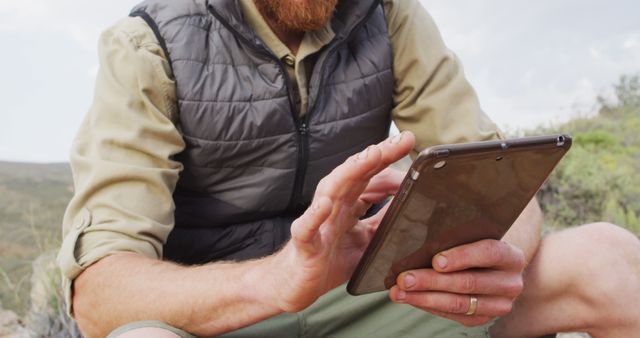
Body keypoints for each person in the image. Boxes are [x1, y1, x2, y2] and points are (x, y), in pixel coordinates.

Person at [57, 0, 640, 337]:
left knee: (609, 261)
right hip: (217, 319)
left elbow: (497, 175)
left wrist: (497, 255)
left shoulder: (388, 15)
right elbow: (100, 292)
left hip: (364, 294)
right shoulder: (148, 45)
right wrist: (276, 279)